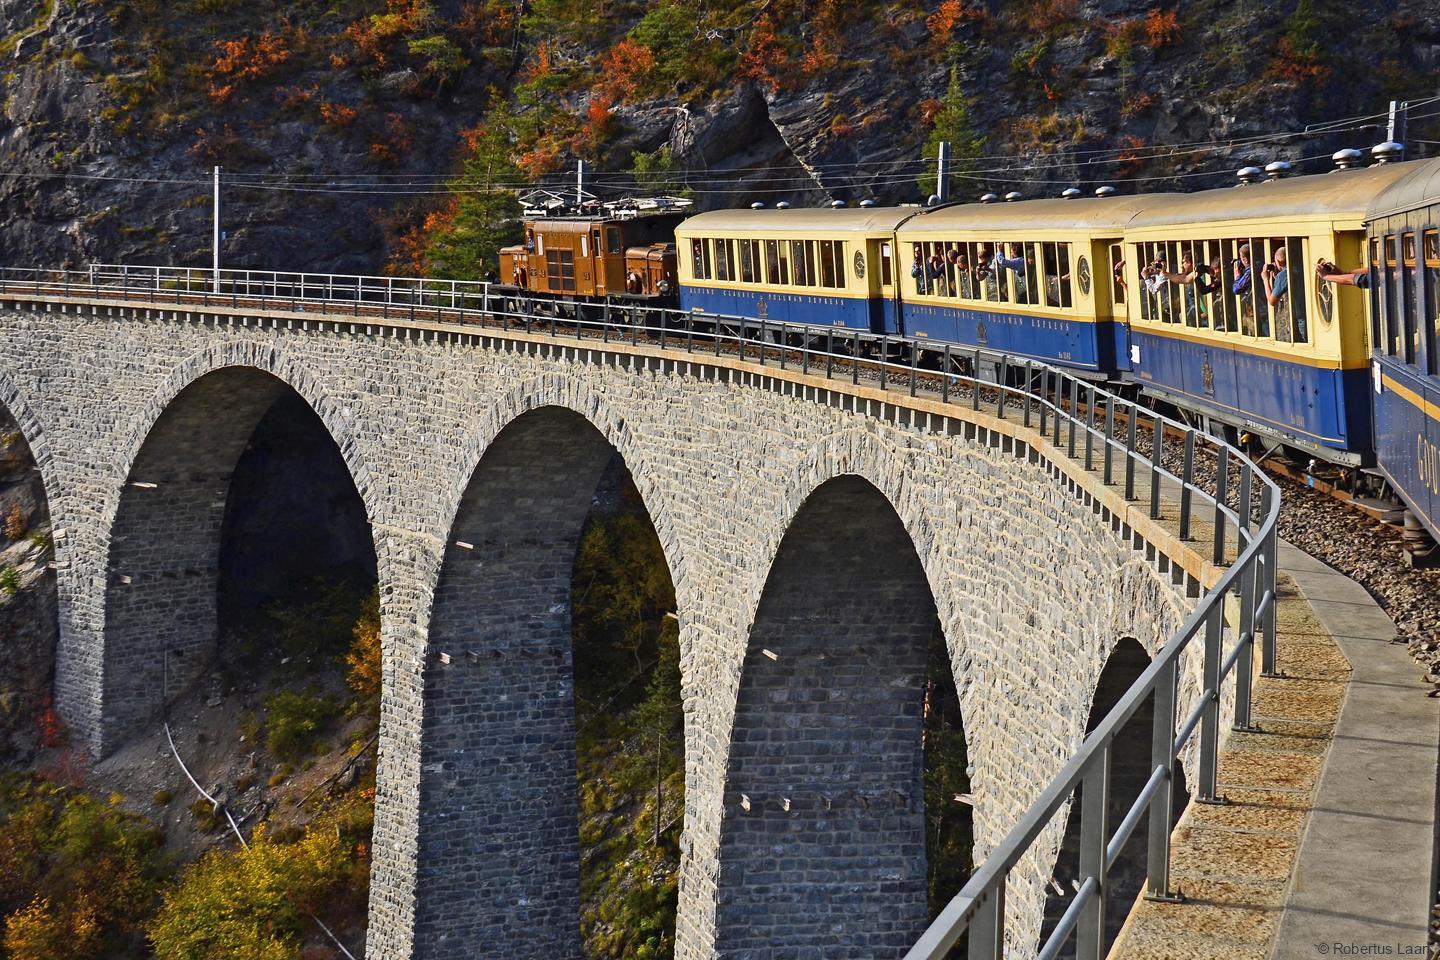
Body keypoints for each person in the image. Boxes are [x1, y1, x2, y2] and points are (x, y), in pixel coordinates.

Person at [1261, 245, 1292, 341]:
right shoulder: (1294, 269)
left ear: (1277, 261)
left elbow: (1272, 301)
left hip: (1294, 323)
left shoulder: (1283, 276)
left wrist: (1265, 279)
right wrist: (1275, 277)